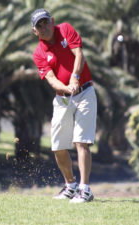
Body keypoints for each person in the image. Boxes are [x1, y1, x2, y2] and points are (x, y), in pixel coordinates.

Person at [31, 8, 97, 203]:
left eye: (45, 22)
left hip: (85, 92)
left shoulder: (65, 29)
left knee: (81, 141)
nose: (43, 28)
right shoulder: (39, 53)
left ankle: (85, 190)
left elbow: (79, 55)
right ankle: (71, 186)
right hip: (62, 98)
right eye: (38, 26)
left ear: (52, 20)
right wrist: (67, 88)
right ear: (34, 31)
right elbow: (51, 79)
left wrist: (75, 78)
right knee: (58, 145)